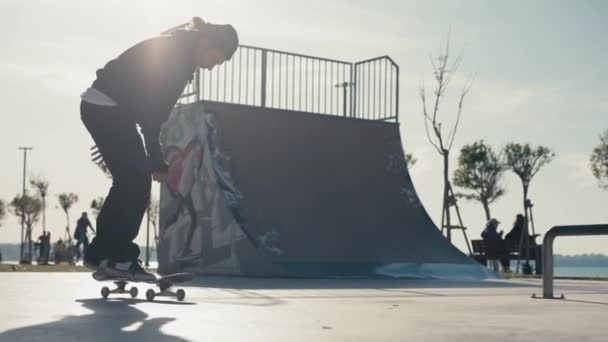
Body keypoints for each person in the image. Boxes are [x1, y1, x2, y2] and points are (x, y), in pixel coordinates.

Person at [80, 17, 239, 281]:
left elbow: (145, 105)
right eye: (217, 58)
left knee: (128, 180)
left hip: (104, 108)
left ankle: (102, 254)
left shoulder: (179, 48)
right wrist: (155, 157)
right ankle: (118, 258)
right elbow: (152, 116)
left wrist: (148, 153)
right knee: (135, 181)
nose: (212, 67)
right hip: (107, 109)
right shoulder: (178, 62)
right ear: (208, 43)